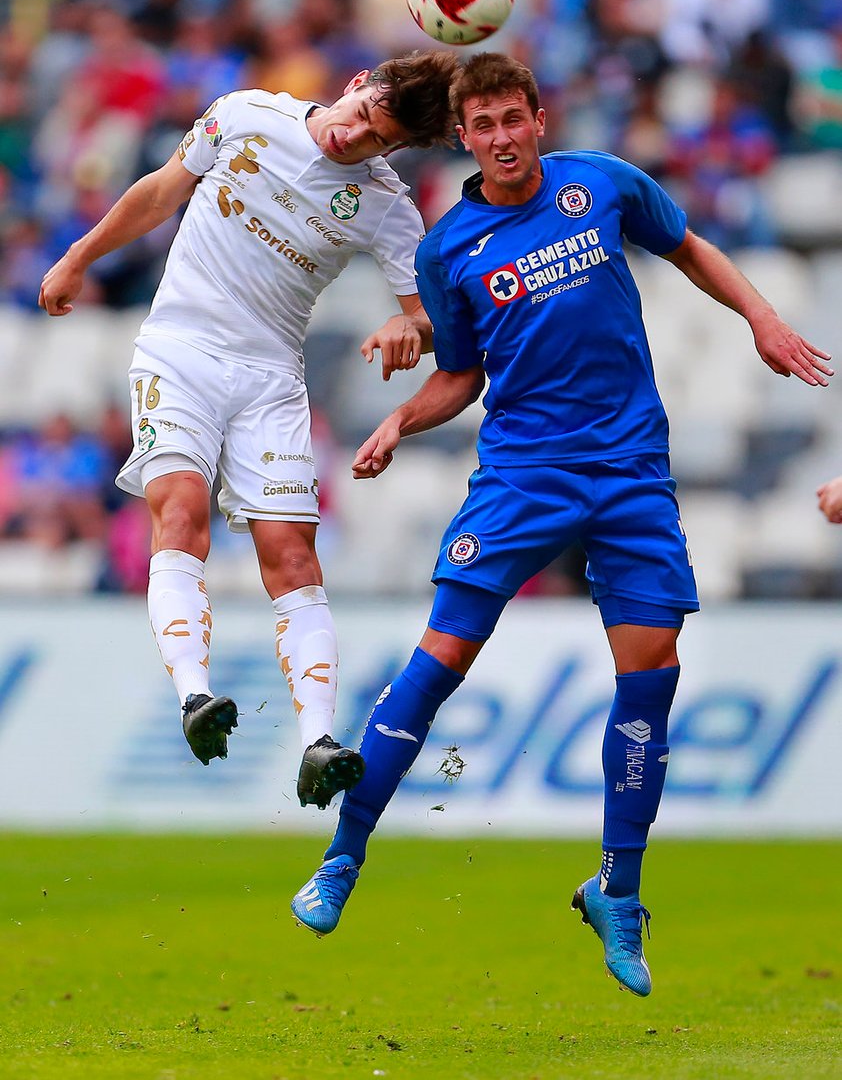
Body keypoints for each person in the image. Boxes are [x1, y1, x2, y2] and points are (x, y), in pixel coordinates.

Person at [291, 53, 832, 994]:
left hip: (628, 468)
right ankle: (343, 854)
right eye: (483, 124)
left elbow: (692, 245)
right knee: (441, 659)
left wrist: (761, 318)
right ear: (463, 136)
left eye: (514, 118)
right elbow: (460, 378)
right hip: (523, 473)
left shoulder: (603, 184)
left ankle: (617, 889)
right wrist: (397, 420)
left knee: (652, 672)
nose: (501, 137)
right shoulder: (447, 248)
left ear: (539, 118)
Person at [38, 49, 458, 810]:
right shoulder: (245, 114)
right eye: (361, 115)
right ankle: (196, 695)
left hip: (270, 378)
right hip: (180, 349)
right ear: (357, 81)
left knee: (292, 553)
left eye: (376, 140)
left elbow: (426, 315)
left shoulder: (389, 206)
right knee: (180, 514)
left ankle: (319, 742)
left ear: (392, 150)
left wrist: (411, 329)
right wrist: (78, 258)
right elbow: (164, 189)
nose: (354, 138)